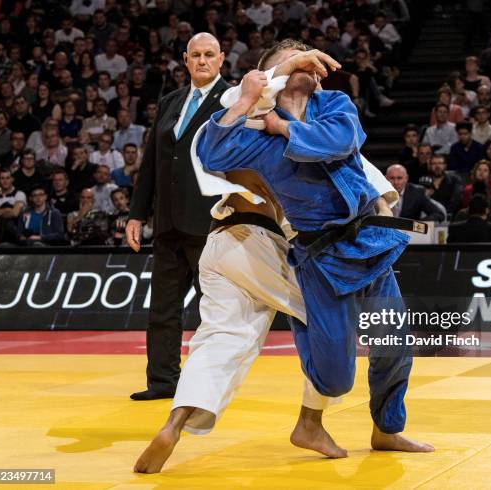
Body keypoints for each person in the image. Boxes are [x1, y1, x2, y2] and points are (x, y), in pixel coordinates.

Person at [194, 39, 433, 459]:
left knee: (393, 342)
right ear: (275, 75)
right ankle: (311, 400)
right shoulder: (257, 135)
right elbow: (209, 152)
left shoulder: (334, 104)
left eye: (308, 55)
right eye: (292, 58)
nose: (306, 60)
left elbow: (342, 140)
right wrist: (251, 97)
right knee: (336, 379)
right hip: (319, 259)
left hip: (368, 242)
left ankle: (388, 428)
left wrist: (284, 128)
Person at [127, 33, 230, 401]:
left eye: (209, 55)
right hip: (168, 221)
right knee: (163, 308)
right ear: (185, 60)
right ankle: (162, 382)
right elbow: (153, 162)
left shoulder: (232, 100)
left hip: (211, 221)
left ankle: (209, 385)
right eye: (196, 55)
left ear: (221, 59)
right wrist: (137, 215)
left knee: (214, 311)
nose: (202, 61)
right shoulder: (170, 101)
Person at [0, 168, 26, 245]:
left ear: (12, 179)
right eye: (2, 178)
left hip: (14, 232)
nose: (5, 181)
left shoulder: (19, 194)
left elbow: (15, 213)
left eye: (8, 178)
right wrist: (6, 210)